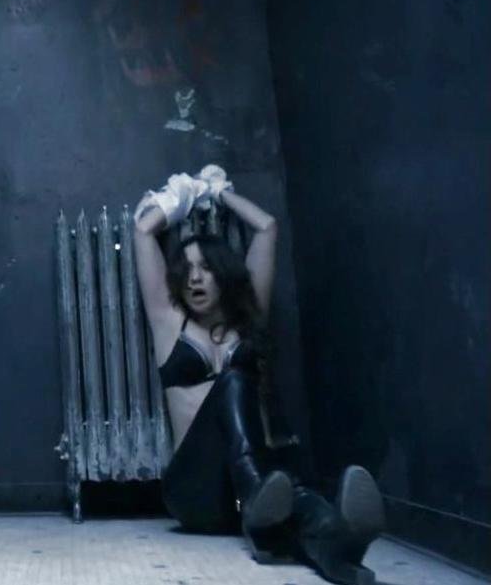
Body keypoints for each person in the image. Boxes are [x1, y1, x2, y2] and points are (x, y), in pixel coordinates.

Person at [132, 166, 386, 585]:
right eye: (187, 270)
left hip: (251, 500)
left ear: (225, 275)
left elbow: (266, 227)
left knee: (296, 511)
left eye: (206, 267)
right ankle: (264, 502)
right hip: (194, 494)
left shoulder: (248, 320)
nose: (194, 278)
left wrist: (220, 192)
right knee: (235, 381)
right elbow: (143, 232)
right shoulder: (169, 322)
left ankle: (342, 549)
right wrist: (186, 193)